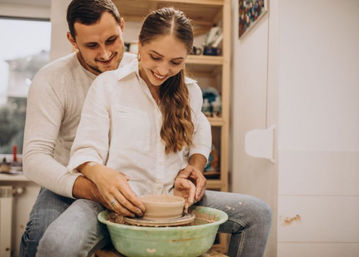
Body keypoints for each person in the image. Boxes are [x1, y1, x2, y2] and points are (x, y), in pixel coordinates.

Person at [20, 3, 271, 257]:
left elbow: (200, 127)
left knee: (259, 214)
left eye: (176, 62)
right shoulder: (103, 83)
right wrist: (98, 177)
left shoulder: (189, 89)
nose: (162, 69)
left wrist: (194, 168)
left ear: (123, 30)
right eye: (93, 45)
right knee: (52, 241)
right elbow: (68, 151)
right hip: (99, 192)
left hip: (173, 198)